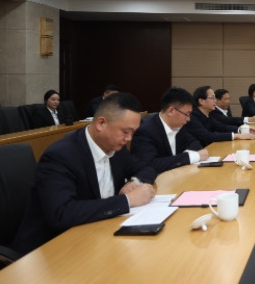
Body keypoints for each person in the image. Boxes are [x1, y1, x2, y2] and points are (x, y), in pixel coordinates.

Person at [12, 93, 156, 256]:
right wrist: (127, 200)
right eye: (125, 131)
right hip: (51, 250)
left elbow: (146, 167)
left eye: (133, 133)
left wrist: (134, 182)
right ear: (101, 123)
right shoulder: (60, 156)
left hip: (97, 236)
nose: (129, 139)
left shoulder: (116, 148)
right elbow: (62, 214)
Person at [131, 87, 209, 173]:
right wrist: (190, 157)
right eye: (186, 114)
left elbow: (194, 143)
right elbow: (151, 164)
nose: (188, 119)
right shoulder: (145, 132)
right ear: (171, 111)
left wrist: (184, 156)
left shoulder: (178, 126)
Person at [187, 86, 255, 146]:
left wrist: (241, 129)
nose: (215, 101)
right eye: (212, 98)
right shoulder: (192, 117)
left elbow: (222, 127)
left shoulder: (207, 115)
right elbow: (207, 136)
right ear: (201, 101)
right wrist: (237, 136)